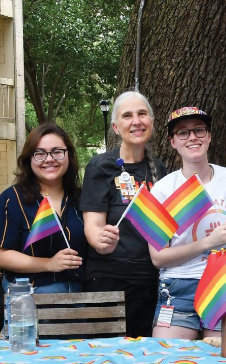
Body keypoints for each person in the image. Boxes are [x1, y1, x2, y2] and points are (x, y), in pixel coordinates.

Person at [147, 107, 226, 339]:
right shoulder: (163, 190)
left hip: (225, 283)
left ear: (209, 136)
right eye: (182, 133)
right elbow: (158, 257)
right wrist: (207, 243)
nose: (192, 137)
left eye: (199, 130)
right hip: (179, 286)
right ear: (172, 142)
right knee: (169, 361)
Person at [81, 91, 167, 338]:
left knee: (144, 363)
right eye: (127, 116)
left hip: (151, 281)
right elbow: (93, 224)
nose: (136, 121)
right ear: (116, 127)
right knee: (108, 361)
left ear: (151, 121)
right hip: (110, 278)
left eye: (142, 114)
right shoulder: (101, 165)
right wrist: (100, 241)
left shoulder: (159, 169)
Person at [0, 122, 85, 293]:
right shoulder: (11, 198)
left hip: (81, 298)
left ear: (68, 155)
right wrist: (49, 264)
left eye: (57, 152)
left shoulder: (82, 198)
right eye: (39, 153)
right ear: (29, 159)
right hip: (29, 299)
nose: (49, 159)